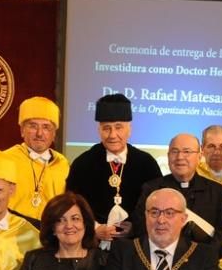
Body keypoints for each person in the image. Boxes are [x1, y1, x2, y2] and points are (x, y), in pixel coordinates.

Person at [66, 94, 162, 245]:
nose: (112, 135)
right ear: (99, 130)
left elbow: (157, 205)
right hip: (92, 247)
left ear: (129, 129)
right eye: (106, 128)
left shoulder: (146, 163)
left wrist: (135, 227)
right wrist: (95, 229)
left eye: (119, 127)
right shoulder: (83, 163)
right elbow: (71, 204)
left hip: (135, 247)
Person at [131, 133, 222, 247]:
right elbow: (140, 227)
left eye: (187, 152)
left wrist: (205, 257)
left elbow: (221, 233)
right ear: (168, 156)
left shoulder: (217, 191)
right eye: (174, 151)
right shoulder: (151, 188)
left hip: (202, 260)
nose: (179, 157)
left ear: (199, 156)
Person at [3, 97, 70, 228]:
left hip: (51, 236)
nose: (39, 133)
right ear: (22, 130)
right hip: (12, 233)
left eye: (46, 127)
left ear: (54, 134)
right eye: (33, 126)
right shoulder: (5, 160)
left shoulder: (63, 164)